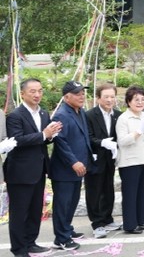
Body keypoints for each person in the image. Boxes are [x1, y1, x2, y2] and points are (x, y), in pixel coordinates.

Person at [5, 79, 61, 257]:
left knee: (35, 210)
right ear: (22, 94)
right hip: (20, 171)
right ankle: (19, 249)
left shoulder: (43, 113)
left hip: (39, 169)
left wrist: (51, 135)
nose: (37, 95)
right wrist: (44, 134)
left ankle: (31, 242)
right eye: (33, 91)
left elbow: (44, 139)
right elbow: (17, 140)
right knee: (19, 212)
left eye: (40, 91)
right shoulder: (15, 116)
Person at [49, 80, 93, 250]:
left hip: (79, 167)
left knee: (72, 202)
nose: (81, 96)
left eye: (83, 93)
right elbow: (60, 142)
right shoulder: (61, 115)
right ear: (66, 97)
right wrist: (73, 161)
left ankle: (66, 230)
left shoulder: (80, 112)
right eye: (77, 94)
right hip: (65, 169)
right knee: (63, 204)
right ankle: (61, 238)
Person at [116, 85, 144, 234]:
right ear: (128, 102)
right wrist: (139, 131)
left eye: (142, 99)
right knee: (130, 194)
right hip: (130, 162)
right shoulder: (124, 118)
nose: (140, 102)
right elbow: (122, 141)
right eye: (136, 100)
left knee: (141, 193)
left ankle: (141, 221)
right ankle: (130, 224)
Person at [85, 83, 122, 238]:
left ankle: (107, 219)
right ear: (98, 98)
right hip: (95, 158)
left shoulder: (118, 115)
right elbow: (88, 137)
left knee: (108, 189)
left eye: (112, 97)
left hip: (110, 159)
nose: (109, 100)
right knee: (94, 191)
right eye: (106, 97)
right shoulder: (89, 115)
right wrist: (102, 143)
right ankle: (97, 223)